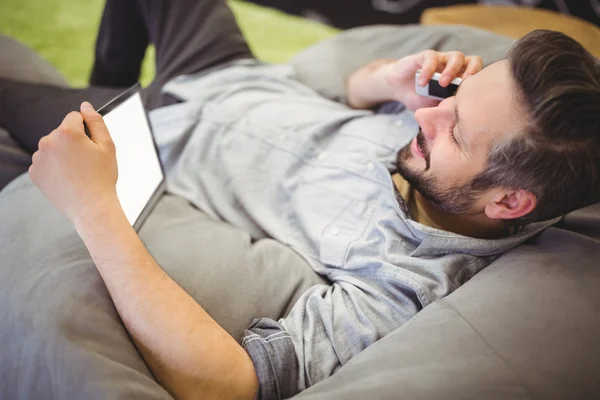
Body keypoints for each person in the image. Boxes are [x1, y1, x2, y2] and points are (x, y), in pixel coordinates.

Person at [1, 0, 599, 399]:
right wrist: (387, 81)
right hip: (235, 71)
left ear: (508, 203)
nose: (434, 112)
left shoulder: (405, 283)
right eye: (460, 94)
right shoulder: (447, 134)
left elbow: (231, 384)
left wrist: (94, 208)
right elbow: (349, 88)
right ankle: (111, 69)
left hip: (160, 133)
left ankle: (102, 90)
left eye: (457, 130)